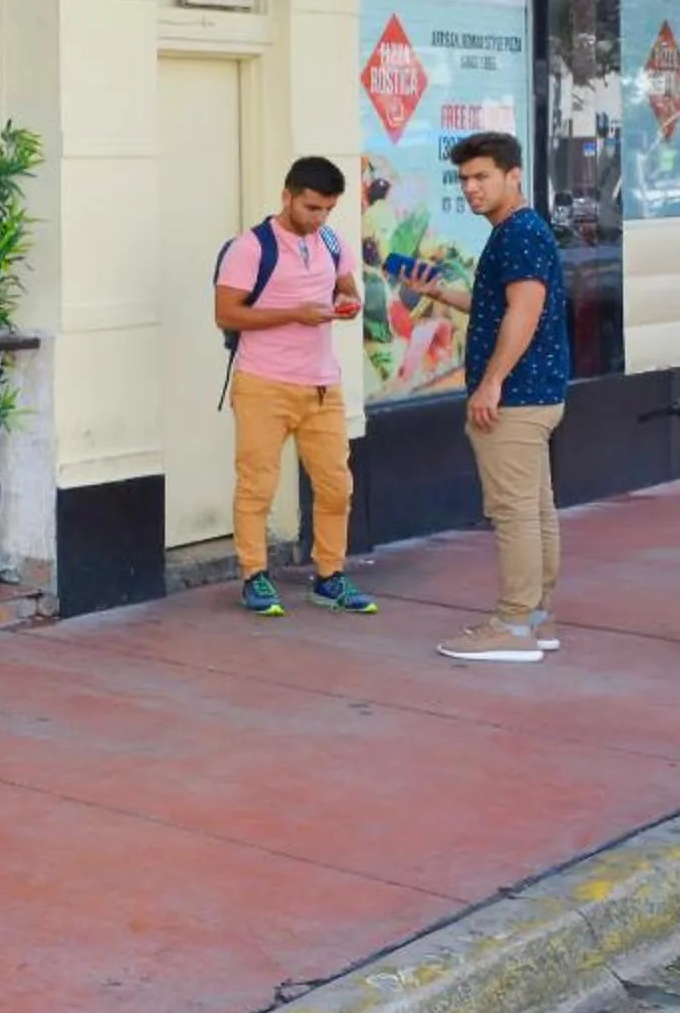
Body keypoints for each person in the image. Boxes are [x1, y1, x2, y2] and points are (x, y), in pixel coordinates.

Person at [413, 130, 572, 664]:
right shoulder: (518, 231)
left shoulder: (519, 234)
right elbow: (497, 307)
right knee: (536, 509)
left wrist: (491, 381)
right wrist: (440, 293)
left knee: (515, 513)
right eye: (464, 179)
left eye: (482, 177)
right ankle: (538, 617)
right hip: (537, 393)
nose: (471, 188)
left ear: (514, 176)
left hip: (518, 398)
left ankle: (512, 624)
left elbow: (523, 311)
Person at [216, 156, 374, 619]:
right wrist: (295, 313)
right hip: (264, 382)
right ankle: (254, 574)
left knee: (336, 486)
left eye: (327, 209)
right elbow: (227, 313)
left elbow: (349, 292)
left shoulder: (329, 239)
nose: (319, 217)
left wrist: (346, 304)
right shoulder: (250, 248)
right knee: (257, 485)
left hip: (323, 384)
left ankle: (330, 576)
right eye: (310, 207)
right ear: (287, 196)